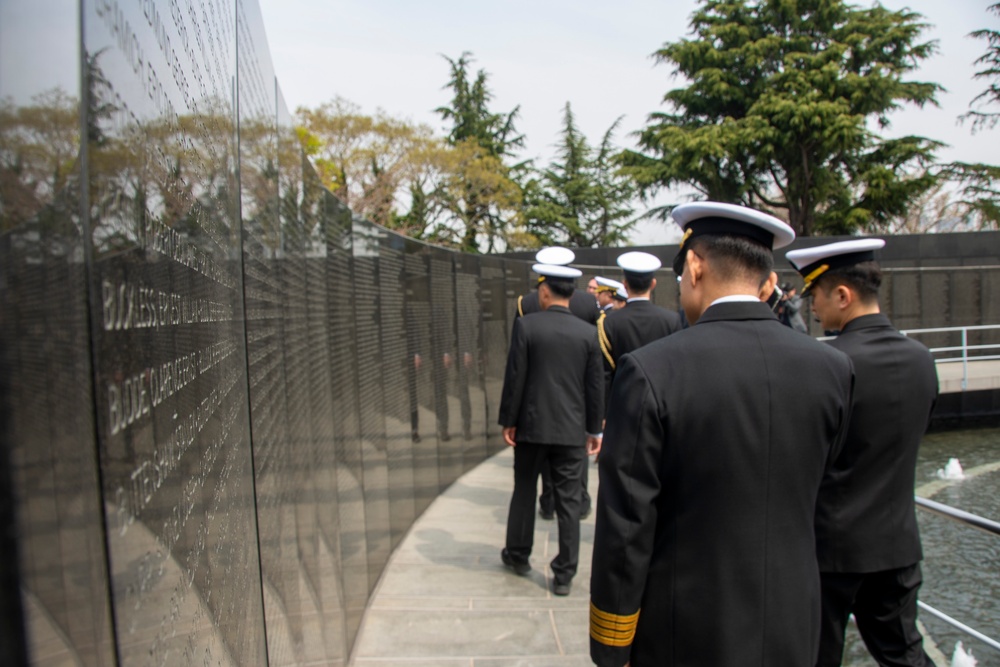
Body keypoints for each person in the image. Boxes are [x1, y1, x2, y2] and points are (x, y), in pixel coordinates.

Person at [589, 201, 855, 667]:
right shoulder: (833, 369)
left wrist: (612, 644)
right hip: (795, 623)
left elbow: (627, 526)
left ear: (694, 265)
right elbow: (826, 495)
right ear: (768, 282)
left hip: (684, 631)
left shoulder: (652, 371)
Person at [786, 239, 939, 667]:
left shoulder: (826, 362)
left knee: (815, 657)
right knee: (905, 655)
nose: (812, 307)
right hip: (897, 544)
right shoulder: (922, 359)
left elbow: (805, 453)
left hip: (829, 551)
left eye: (815, 295)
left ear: (842, 295)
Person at [498, 263, 603, 596]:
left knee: (525, 491)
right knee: (570, 502)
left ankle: (518, 555)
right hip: (571, 432)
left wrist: (509, 421)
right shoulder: (588, 333)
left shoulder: (527, 326)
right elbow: (594, 386)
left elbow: (516, 378)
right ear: (571, 293)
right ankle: (564, 574)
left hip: (531, 428)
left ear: (544, 291)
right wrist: (593, 430)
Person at [515, 246, 598, 520]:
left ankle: (547, 500)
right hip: (574, 406)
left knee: (537, 469)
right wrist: (595, 425)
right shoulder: (587, 303)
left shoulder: (526, 303)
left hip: (537, 406)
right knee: (572, 471)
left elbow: (518, 364)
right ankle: (580, 500)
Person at [597, 251, 682, 412]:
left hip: (622, 403)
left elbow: (605, 374)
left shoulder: (608, 322)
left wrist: (603, 414)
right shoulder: (671, 320)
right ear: (653, 284)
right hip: (662, 404)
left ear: (625, 284)